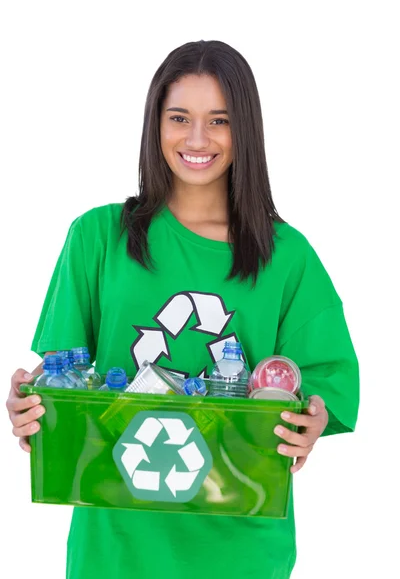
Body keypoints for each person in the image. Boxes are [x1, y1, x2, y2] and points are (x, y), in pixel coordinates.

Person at [6, 39, 359, 579]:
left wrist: (311, 420)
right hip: (116, 546)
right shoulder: (98, 238)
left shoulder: (287, 257)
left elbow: (326, 387)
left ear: (246, 129)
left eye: (219, 120)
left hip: (239, 547)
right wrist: (32, 407)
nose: (197, 139)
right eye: (179, 117)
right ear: (156, 125)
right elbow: (62, 380)